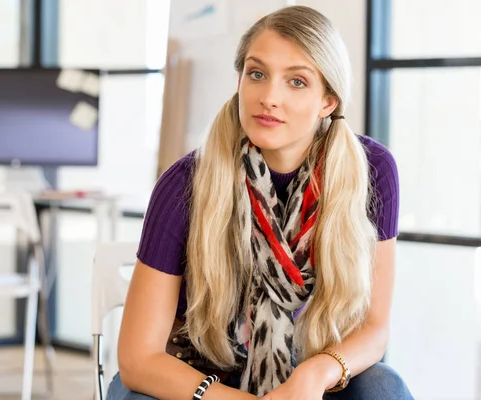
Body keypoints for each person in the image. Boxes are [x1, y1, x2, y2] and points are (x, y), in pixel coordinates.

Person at [109, 5, 414, 400]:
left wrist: (314, 375)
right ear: (240, 80)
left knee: (383, 386)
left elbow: (374, 328)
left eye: (297, 82)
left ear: (329, 101)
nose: (269, 97)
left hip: (306, 378)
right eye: (257, 74)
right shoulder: (185, 184)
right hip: (200, 381)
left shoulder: (372, 172)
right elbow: (138, 359)